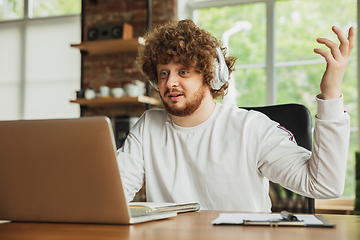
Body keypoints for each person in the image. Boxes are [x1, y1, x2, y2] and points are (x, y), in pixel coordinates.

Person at [117, 19, 355, 212]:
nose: (170, 82)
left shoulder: (251, 129)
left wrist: (331, 93)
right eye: (163, 73)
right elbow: (114, 195)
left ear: (211, 75)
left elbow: (324, 185)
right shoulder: (148, 127)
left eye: (183, 71)